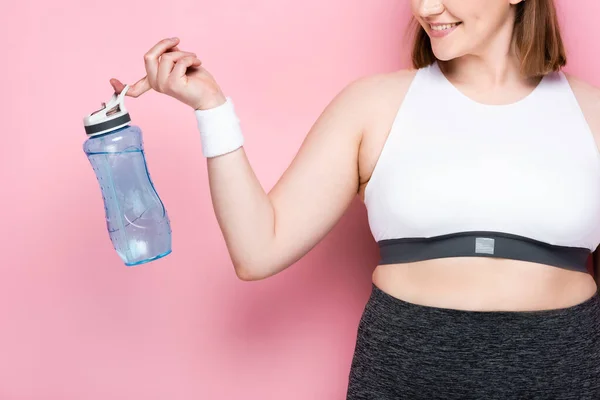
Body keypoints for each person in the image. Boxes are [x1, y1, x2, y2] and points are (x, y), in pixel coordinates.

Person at [110, 0, 600, 397]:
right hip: (405, 373)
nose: (426, 7)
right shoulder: (372, 104)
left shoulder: (591, 113)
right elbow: (258, 250)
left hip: (566, 370)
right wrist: (212, 110)